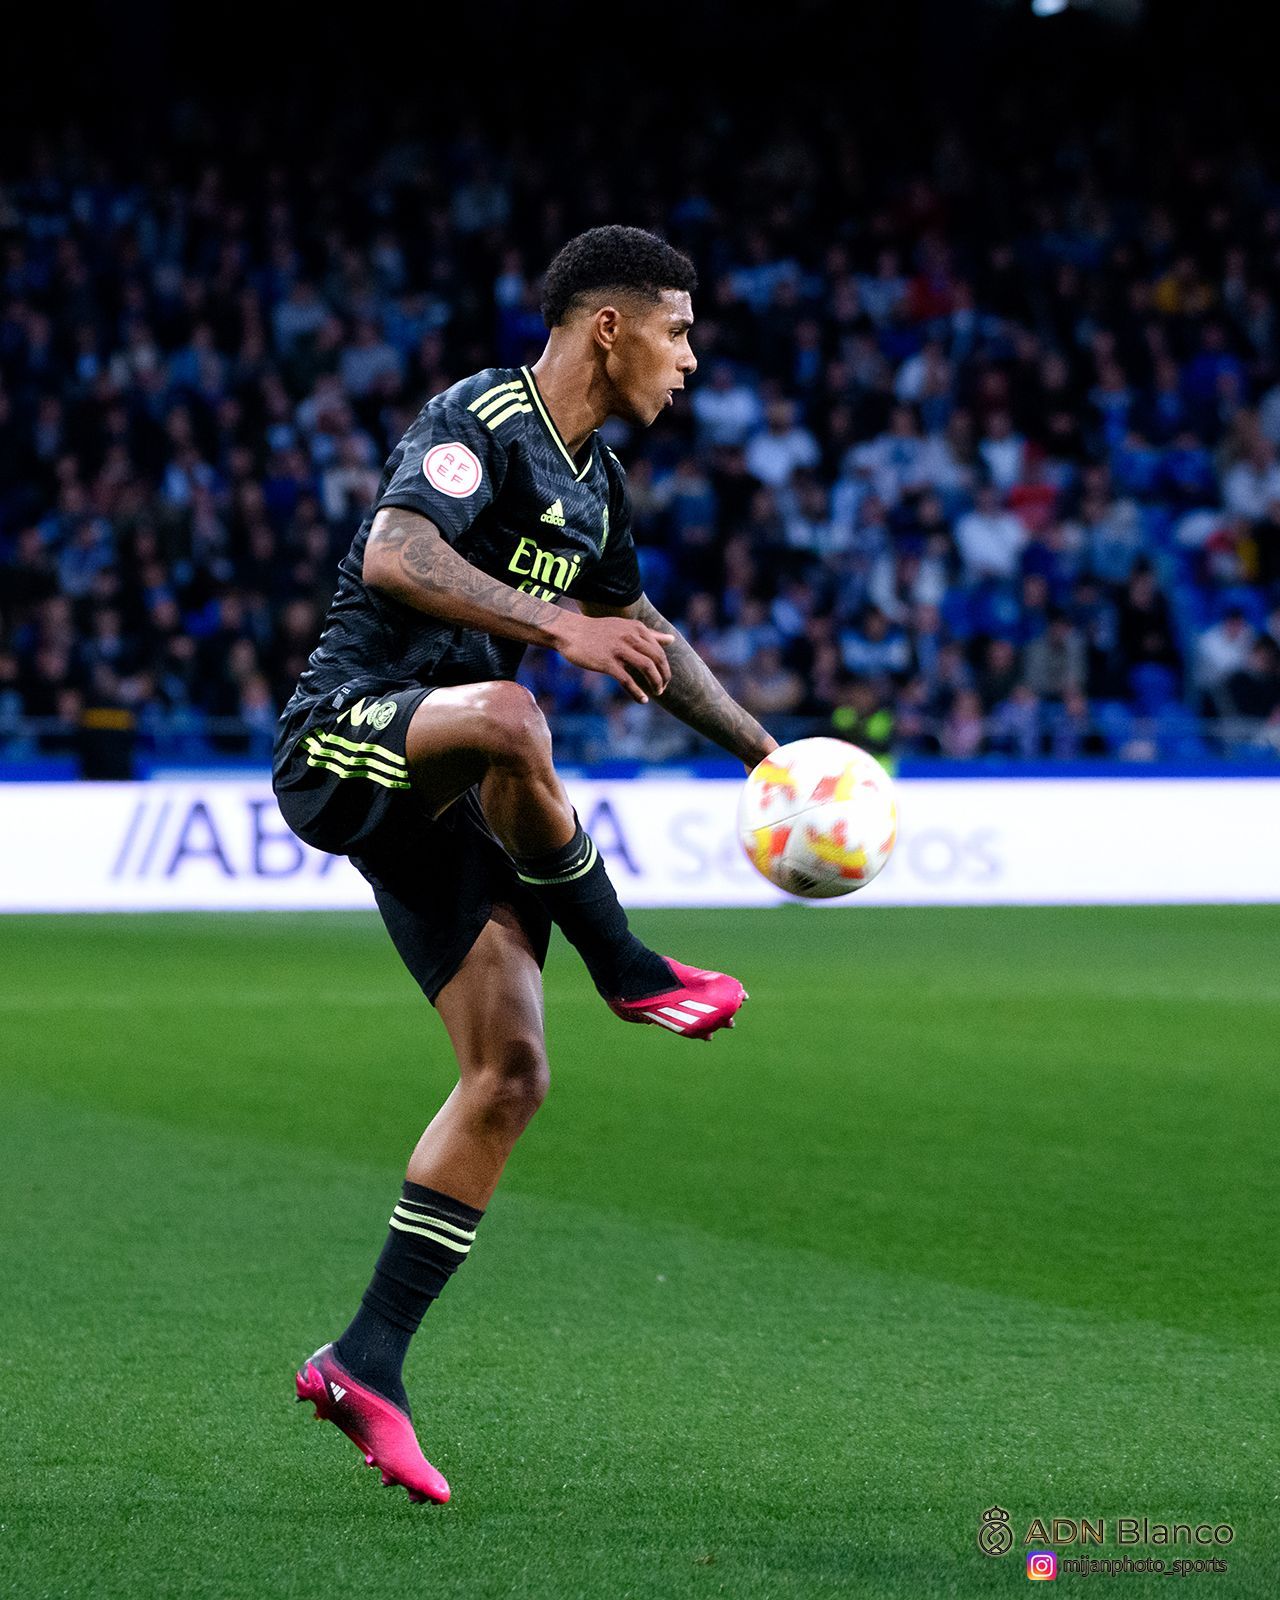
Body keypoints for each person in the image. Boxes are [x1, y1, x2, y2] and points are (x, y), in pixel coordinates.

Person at [273, 227, 777, 1504]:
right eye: (678, 330)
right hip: (343, 738)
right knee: (511, 715)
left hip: (439, 799)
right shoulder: (483, 418)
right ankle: (626, 961)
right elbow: (394, 553)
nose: (690, 358)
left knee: (509, 1075)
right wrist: (555, 622)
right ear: (609, 325)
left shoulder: (595, 482)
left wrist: (767, 758)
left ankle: (364, 1362)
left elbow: (642, 632)